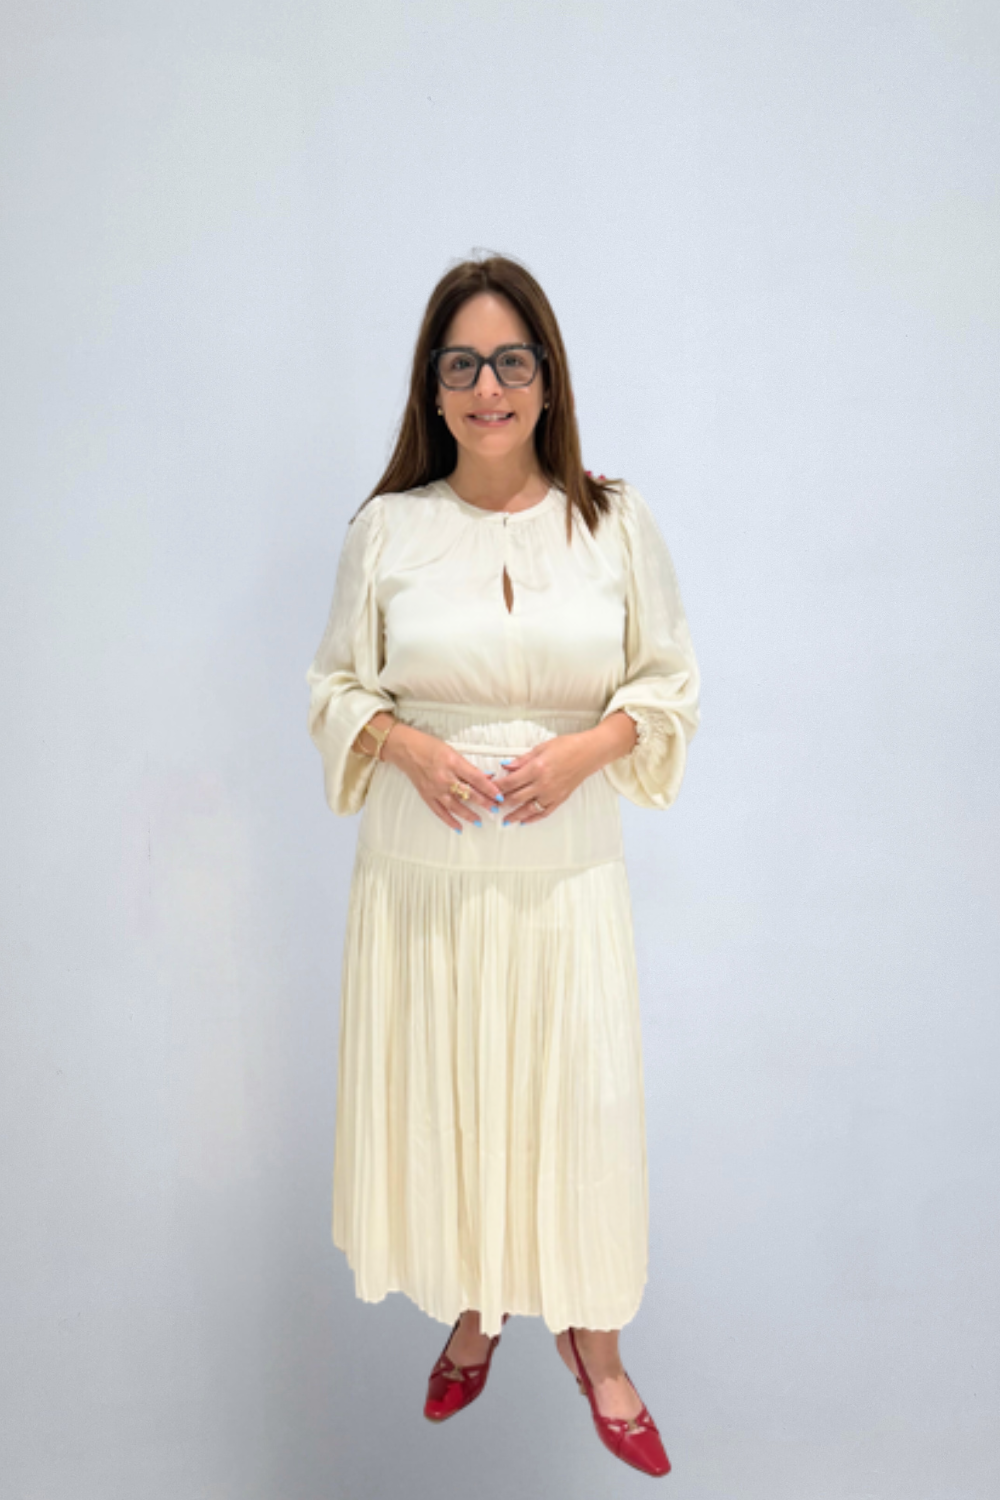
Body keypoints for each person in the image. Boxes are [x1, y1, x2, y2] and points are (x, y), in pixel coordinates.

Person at [304, 252, 700, 1479]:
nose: (489, 388)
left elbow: (668, 685)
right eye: (463, 364)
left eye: (511, 362)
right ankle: (478, 1307)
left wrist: (587, 750)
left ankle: (595, 1339)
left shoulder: (613, 520)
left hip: (564, 876)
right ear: (432, 387)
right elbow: (334, 687)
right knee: (456, 1097)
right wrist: (404, 744)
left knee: (577, 1103)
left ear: (547, 379)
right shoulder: (388, 528)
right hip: (422, 876)